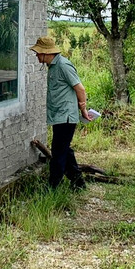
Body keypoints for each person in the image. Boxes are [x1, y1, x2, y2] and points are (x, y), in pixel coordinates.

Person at [30, 35, 88, 189]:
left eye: (38, 53)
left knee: (58, 153)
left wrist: (83, 109)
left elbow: (80, 89)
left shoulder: (63, 65)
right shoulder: (52, 66)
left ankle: (52, 186)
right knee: (64, 150)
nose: (36, 56)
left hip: (66, 116)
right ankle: (78, 182)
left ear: (46, 53)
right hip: (59, 116)